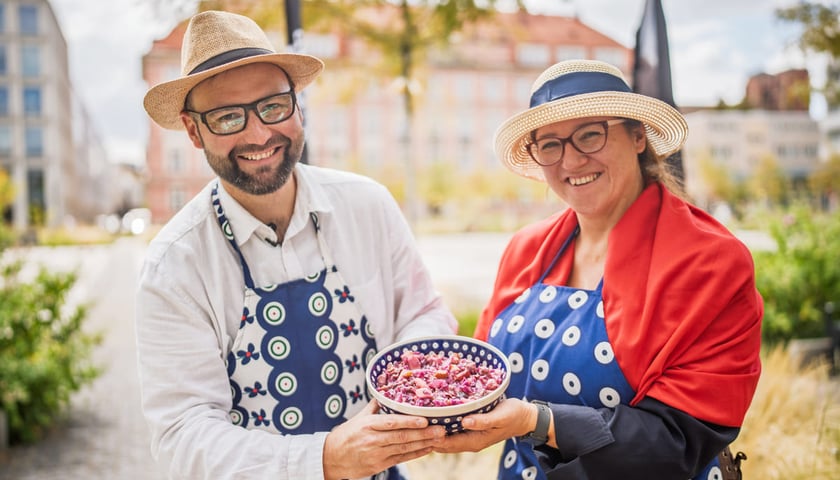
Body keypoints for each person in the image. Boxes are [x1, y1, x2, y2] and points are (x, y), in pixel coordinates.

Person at [136, 10, 457, 480]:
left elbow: (423, 312)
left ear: (296, 103)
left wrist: (409, 384)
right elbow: (183, 435)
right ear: (193, 129)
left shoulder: (367, 206)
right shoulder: (174, 267)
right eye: (228, 117)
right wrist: (323, 459)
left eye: (272, 106)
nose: (259, 134)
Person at [434, 59, 763, 479]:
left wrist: (536, 421)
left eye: (590, 134)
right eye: (549, 144)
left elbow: (678, 441)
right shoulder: (525, 249)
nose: (571, 161)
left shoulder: (710, 261)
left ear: (638, 136)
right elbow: (482, 374)